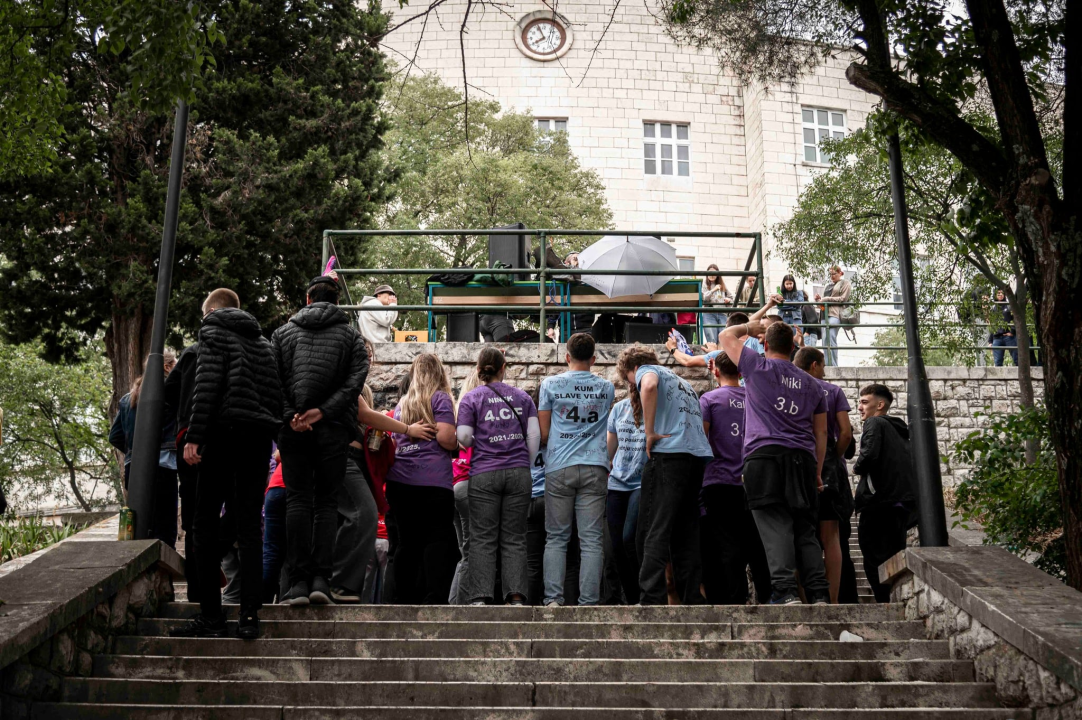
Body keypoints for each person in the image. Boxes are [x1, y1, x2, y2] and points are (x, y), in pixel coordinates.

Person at [170, 288, 282, 640]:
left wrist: (194, 436)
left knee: (202, 525)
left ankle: (212, 616)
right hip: (257, 439)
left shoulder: (212, 332)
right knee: (249, 528)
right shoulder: (263, 343)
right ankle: (249, 615)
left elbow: (207, 385)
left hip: (222, 435)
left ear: (212, 312)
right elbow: (274, 395)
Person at [717, 296, 830, 605]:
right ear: (793, 347)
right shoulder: (814, 385)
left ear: (764, 343)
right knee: (805, 528)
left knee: (774, 525)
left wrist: (750, 327)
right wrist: (817, 470)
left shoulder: (756, 366)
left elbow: (725, 336)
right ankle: (819, 593)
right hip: (803, 459)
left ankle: (785, 591)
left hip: (764, 457)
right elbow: (821, 432)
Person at [273, 275, 369, 607]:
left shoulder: (282, 334)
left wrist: (292, 416)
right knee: (326, 504)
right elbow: (355, 382)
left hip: (293, 430)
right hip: (334, 429)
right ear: (337, 302)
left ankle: (297, 583)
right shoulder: (352, 337)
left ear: (308, 298)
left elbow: (273, 381)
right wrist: (323, 412)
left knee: (298, 501)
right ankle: (320, 581)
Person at [616, 345, 713, 605]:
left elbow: (647, 386)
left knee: (651, 528)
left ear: (633, 368)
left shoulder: (647, 371)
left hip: (669, 456)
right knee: (685, 531)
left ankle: (651, 598)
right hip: (695, 458)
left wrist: (649, 432)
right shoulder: (681, 382)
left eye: (629, 380)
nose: (632, 385)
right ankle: (692, 598)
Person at [457, 347, 540, 605]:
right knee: (515, 537)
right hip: (518, 472)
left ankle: (480, 597)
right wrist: (523, 464)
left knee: (482, 537)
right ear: (503, 367)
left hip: (484, 473)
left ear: (478, 369)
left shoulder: (471, 398)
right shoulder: (523, 398)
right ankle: (515, 597)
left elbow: (463, 437)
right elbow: (534, 437)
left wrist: (482, 440)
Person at [335, 386, 433, 603]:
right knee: (363, 515)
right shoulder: (347, 383)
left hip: (346, 460)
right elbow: (365, 413)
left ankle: (328, 583)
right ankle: (339, 584)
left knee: (336, 520)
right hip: (345, 458)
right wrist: (408, 429)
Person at [538, 333, 615, 606]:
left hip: (559, 466)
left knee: (556, 537)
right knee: (591, 540)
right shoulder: (606, 388)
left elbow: (543, 433)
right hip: (595, 466)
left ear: (566, 356)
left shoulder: (549, 384)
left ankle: (553, 599)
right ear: (594, 359)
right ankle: (589, 603)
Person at [383, 353, 460, 604]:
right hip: (432, 480)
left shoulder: (402, 404)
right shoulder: (440, 398)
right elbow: (446, 438)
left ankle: (403, 598)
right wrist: (458, 443)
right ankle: (434, 597)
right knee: (437, 538)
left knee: (407, 542)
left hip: (400, 482)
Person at [697, 352, 771, 604]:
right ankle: (767, 597)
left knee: (727, 544)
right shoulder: (756, 398)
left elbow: (701, 441)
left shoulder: (709, 400)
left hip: (719, 481)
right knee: (757, 543)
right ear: (741, 372)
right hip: (754, 481)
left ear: (715, 371)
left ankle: (735, 600)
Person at [794, 347, 857, 604]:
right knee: (831, 536)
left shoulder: (791, 388)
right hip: (829, 464)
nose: (824, 370)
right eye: (822, 365)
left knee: (799, 534)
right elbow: (846, 433)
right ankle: (832, 599)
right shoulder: (832, 391)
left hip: (797, 459)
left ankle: (802, 598)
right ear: (814, 365)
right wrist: (835, 456)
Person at [109, 349, 180, 547]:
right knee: (164, 523)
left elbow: (115, 436)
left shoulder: (127, 398)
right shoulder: (170, 393)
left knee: (140, 523)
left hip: (133, 467)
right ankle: (163, 564)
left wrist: (136, 451)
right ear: (166, 367)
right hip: (163, 465)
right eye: (175, 364)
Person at [854, 384, 916, 603]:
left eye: (864, 402)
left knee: (872, 557)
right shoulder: (900, 431)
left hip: (878, 503)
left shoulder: (874, 423)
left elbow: (869, 454)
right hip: (899, 505)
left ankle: (883, 602)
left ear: (880, 405)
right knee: (892, 556)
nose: (859, 407)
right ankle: (893, 600)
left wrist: (857, 468)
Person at [164, 341, 203, 601]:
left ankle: (197, 590)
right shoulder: (251, 346)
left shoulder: (193, 352)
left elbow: (170, 391)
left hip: (189, 441)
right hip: (230, 440)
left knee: (193, 522)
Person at [606, 394, 647, 605]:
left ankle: (645, 594)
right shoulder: (619, 409)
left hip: (642, 483)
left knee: (629, 538)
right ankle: (632, 600)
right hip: (616, 483)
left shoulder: (656, 407)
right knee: (616, 547)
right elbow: (609, 449)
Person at [450, 369, 483, 604]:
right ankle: (462, 606)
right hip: (471, 486)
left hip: (455, 485)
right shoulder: (481, 417)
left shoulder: (458, 416)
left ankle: (454, 603)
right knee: (472, 552)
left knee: (465, 552)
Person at [815, 266, 851, 367]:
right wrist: (819, 300)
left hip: (835, 314)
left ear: (840, 273)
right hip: (824, 315)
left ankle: (834, 365)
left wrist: (826, 299)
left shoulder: (845, 283)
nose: (832, 276)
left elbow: (843, 299)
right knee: (824, 341)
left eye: (834, 274)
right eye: (830, 274)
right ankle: (827, 364)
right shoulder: (828, 286)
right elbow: (822, 303)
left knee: (831, 337)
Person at [701, 264, 732, 345]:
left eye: (714, 273)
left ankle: (722, 353)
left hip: (722, 313)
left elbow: (731, 298)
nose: (712, 275)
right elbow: (704, 298)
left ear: (717, 274)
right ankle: (713, 353)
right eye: (710, 273)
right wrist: (713, 290)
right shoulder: (704, 284)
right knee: (712, 339)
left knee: (723, 339)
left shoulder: (722, 285)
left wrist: (728, 300)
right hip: (709, 313)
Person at [988, 289, 1019, 367]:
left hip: (1009, 337)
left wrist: (1012, 331)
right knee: (998, 362)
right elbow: (992, 325)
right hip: (997, 338)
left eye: (1002, 293)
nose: (1000, 295)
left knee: (1017, 360)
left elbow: (1015, 319)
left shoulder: (1008, 306)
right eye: (998, 293)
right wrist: (990, 341)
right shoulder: (993, 309)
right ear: (995, 295)